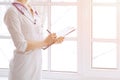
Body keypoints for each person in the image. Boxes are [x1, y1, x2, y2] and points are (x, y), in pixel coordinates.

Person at [4, 0, 64, 80]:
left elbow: (36, 38)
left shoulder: (31, 8)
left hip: (36, 67)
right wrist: (44, 42)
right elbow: (21, 45)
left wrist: (52, 41)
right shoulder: (12, 12)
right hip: (22, 70)